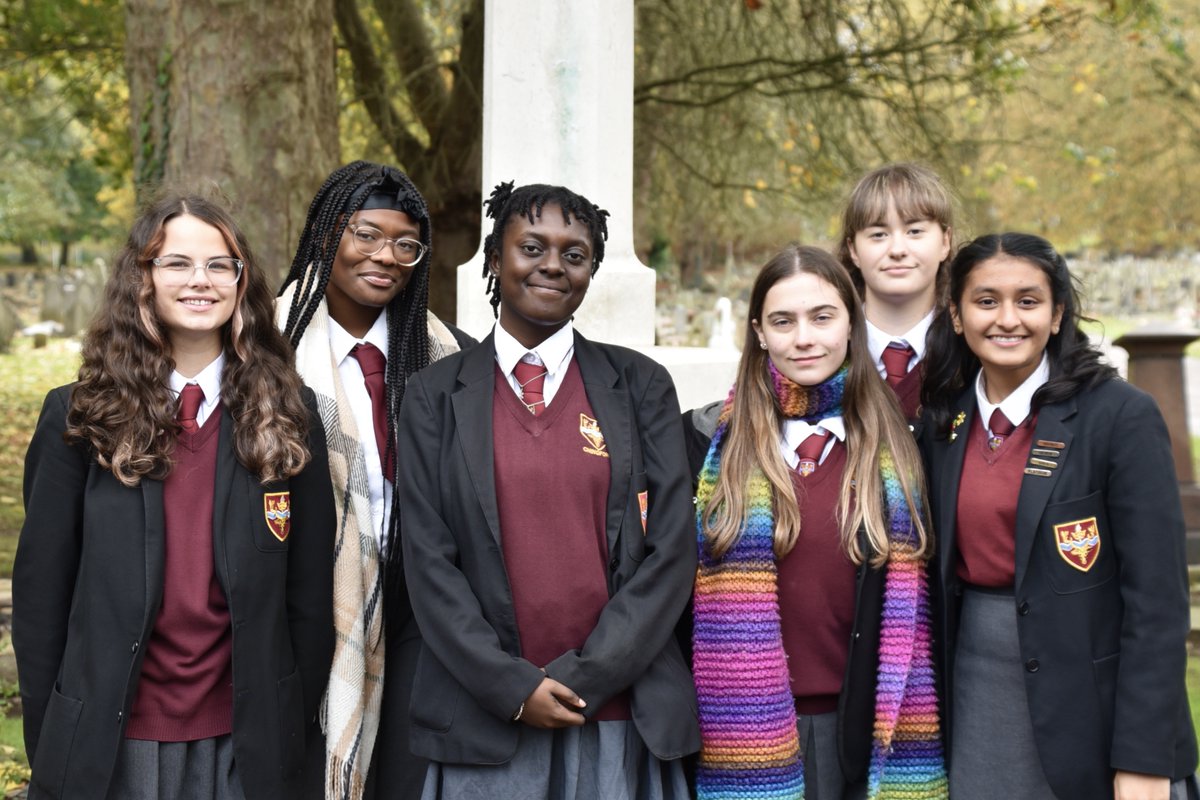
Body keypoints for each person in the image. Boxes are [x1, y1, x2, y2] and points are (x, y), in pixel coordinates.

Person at [14, 193, 335, 800]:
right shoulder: (79, 417)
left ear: (242, 283)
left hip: (247, 742)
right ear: (144, 278)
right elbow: (40, 602)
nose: (200, 280)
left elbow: (309, 603)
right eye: (177, 263)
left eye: (220, 265)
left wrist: (290, 723)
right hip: (116, 739)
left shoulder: (290, 415)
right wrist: (53, 739)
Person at [396, 181, 699, 799]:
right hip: (488, 722)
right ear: (494, 258)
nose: (553, 266)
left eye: (575, 254)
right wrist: (512, 687)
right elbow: (429, 563)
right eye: (531, 247)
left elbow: (670, 553)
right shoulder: (433, 396)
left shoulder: (640, 386)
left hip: (618, 718)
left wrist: (589, 675)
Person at [920, 232, 1199, 800]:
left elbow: (1159, 602)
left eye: (1028, 301)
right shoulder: (941, 422)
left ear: (1057, 315)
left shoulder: (1118, 416)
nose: (1007, 319)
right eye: (985, 300)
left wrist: (1144, 758)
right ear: (956, 314)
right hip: (975, 697)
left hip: (1094, 710)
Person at [685, 245, 946, 799]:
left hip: (869, 733)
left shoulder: (904, 447)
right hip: (745, 734)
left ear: (852, 322)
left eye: (822, 317)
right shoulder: (706, 444)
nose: (804, 337)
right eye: (784, 321)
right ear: (759, 333)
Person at [276, 161, 474, 800]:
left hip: (420, 602)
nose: (385, 256)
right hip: (308, 599)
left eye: (404, 244)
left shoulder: (450, 357)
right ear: (328, 232)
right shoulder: (267, 351)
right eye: (366, 234)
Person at [837, 163, 953, 422]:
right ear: (853, 249)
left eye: (914, 231)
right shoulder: (821, 352)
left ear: (945, 242)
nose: (897, 249)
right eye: (878, 234)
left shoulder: (973, 354)